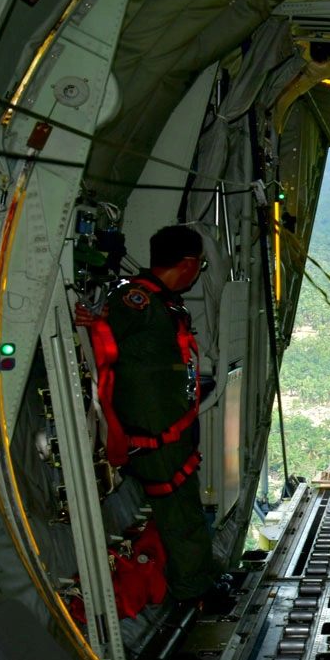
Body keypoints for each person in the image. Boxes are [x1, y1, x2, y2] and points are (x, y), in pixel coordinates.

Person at [104, 225, 217, 604]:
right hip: (155, 435)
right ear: (187, 263)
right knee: (181, 514)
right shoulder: (135, 301)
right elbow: (96, 337)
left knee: (184, 508)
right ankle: (193, 591)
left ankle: (196, 579)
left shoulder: (162, 303)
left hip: (170, 430)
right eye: (200, 264)